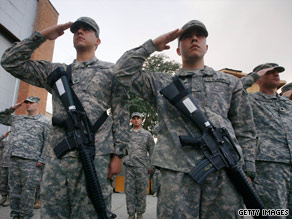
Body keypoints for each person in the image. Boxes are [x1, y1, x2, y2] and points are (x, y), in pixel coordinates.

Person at [114, 20, 257, 218]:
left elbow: (244, 129)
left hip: (225, 173)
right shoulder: (161, 83)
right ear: (178, 50)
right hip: (176, 174)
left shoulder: (229, 82)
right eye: (187, 36)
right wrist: (152, 46)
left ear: (206, 46)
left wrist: (248, 170)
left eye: (199, 35)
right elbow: (121, 72)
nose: (194, 38)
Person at [1, 17, 128, 218]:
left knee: (90, 213)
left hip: (94, 156)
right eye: (76, 29)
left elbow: (121, 113)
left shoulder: (111, 71)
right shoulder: (56, 72)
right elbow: (10, 61)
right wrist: (42, 36)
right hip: (57, 159)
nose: (79, 32)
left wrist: (119, 154)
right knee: (52, 213)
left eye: (87, 29)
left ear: (98, 41)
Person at [241, 63, 292, 218]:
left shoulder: (287, 103)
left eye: (277, 71)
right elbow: (230, 90)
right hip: (269, 167)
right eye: (270, 72)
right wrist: (252, 77)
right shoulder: (249, 100)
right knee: (275, 214)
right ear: (259, 79)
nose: (276, 74)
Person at [0, 96, 50, 219]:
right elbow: (1, 117)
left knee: (28, 191)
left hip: (31, 162)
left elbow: (48, 142)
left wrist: (42, 160)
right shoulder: (17, 119)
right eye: (26, 103)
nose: (28, 105)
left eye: (31, 103)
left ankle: (25, 216)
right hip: (14, 159)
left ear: (37, 104)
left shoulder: (44, 122)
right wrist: (12, 108)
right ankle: (15, 215)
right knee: (14, 190)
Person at [123, 112, 155, 219]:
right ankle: (131, 214)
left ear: (142, 120)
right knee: (129, 191)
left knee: (141, 191)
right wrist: (124, 159)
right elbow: (121, 148)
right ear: (131, 120)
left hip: (142, 167)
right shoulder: (127, 133)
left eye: (138, 118)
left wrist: (151, 166)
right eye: (134, 118)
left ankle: (140, 213)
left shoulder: (147, 135)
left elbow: (152, 151)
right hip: (129, 167)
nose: (136, 120)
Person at [0, 131, 10, 207]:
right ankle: (3, 197)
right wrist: (3, 136)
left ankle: (9, 198)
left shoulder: (18, 142)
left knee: (11, 182)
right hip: (3, 164)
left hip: (12, 165)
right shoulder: (5, 143)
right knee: (3, 181)